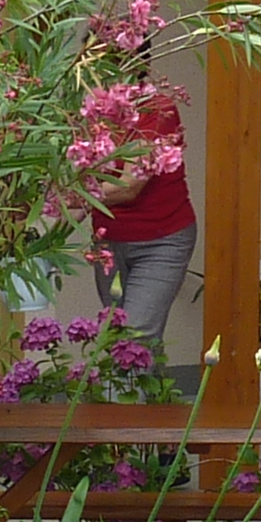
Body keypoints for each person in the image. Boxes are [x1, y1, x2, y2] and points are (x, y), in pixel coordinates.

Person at [89, 85, 195, 351]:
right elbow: (81, 188)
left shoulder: (155, 108)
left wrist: (67, 198)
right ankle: (152, 380)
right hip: (108, 242)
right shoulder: (93, 111)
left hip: (161, 240)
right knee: (118, 337)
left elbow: (129, 187)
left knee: (135, 340)